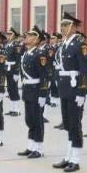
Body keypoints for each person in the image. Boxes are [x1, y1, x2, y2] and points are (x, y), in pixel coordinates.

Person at [51, 12, 87, 173]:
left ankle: (75, 159)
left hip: (75, 89)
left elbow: (84, 70)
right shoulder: (63, 45)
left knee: (75, 124)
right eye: (62, 25)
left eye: (66, 25)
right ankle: (68, 156)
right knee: (68, 124)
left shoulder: (80, 45)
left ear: (74, 27)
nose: (63, 27)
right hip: (65, 88)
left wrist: (82, 92)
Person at [16, 26, 51, 158]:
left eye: (30, 35)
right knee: (29, 119)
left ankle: (39, 148)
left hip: (36, 91)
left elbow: (44, 76)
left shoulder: (40, 54)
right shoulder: (27, 53)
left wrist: (43, 95)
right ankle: (31, 146)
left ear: (36, 39)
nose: (27, 37)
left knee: (37, 120)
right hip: (28, 90)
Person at [4, 28, 23, 116]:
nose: (7, 36)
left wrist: (16, 72)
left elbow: (18, 60)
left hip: (13, 69)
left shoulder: (16, 45)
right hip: (7, 69)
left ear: (13, 36)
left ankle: (17, 110)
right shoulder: (7, 45)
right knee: (9, 89)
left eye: (9, 34)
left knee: (14, 89)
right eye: (7, 34)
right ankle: (12, 109)